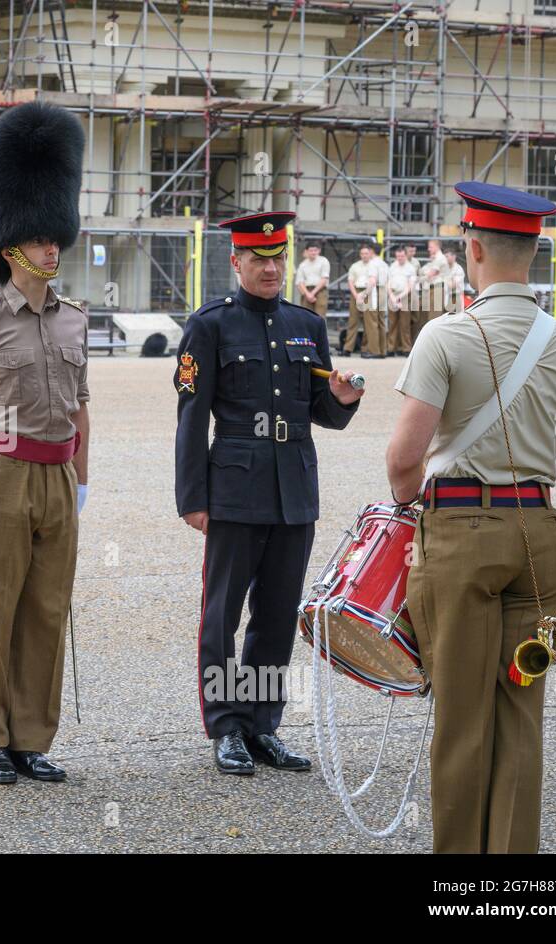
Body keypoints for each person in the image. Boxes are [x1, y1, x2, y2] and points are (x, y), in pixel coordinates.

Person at [386, 181, 556, 853]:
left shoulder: (446, 335)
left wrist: (409, 511)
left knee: (460, 719)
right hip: (539, 539)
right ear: (536, 250)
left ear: (472, 249)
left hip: (459, 535)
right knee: (521, 715)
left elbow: (402, 460)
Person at [174, 209, 363, 775]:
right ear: (235, 261)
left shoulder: (307, 324)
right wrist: (193, 497)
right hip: (234, 487)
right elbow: (191, 416)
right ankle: (226, 726)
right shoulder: (210, 326)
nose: (270, 268)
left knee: (277, 615)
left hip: (293, 489)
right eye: (258, 258)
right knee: (222, 613)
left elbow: (320, 410)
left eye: (278, 257)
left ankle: (262, 725)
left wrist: (344, 397)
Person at [0, 100, 90, 785]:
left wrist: (83, 479)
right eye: (39, 238)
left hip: (57, 479)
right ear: (9, 243)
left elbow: (83, 409)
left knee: (46, 611)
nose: (52, 247)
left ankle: (33, 736)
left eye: (56, 236)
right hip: (0, 474)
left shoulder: (75, 321)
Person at [342, 242, 381, 357]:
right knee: (353, 322)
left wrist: (362, 295)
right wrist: (356, 295)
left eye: (366, 253)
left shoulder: (373, 266)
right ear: (360, 254)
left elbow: (372, 281)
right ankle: (347, 348)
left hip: (368, 293)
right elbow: (350, 282)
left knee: (370, 323)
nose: (364, 255)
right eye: (362, 253)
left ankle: (373, 350)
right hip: (356, 293)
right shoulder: (355, 266)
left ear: (370, 254)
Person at [386, 245, 417, 356]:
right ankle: (391, 348)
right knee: (392, 323)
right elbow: (388, 283)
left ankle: (406, 349)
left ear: (405, 255)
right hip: (393, 295)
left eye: (402, 256)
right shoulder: (392, 267)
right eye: (398, 256)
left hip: (405, 296)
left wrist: (399, 297)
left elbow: (410, 286)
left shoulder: (410, 268)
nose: (400, 258)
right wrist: (392, 296)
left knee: (405, 324)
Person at [294, 242, 329, 317]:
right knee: (306, 315)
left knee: (320, 316)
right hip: (306, 291)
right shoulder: (302, 265)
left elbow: (324, 279)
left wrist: (312, 293)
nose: (313, 252)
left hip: (320, 290)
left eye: (315, 250)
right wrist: (307, 294)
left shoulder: (323, 261)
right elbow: (300, 282)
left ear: (319, 251)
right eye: (311, 250)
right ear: (306, 251)